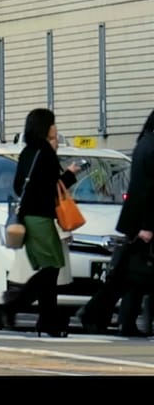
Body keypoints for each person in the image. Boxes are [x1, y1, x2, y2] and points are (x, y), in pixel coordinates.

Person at [0, 108, 80, 338]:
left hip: (27, 217)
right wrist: (71, 173)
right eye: (53, 123)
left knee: (48, 269)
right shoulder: (46, 153)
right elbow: (54, 188)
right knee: (52, 267)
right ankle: (15, 303)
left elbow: (17, 187)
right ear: (45, 127)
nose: (56, 127)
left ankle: (47, 320)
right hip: (41, 217)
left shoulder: (26, 153)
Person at [79, 109, 154, 336]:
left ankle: (122, 321)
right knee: (128, 277)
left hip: (134, 220)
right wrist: (148, 225)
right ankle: (93, 313)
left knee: (129, 277)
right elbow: (151, 190)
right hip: (143, 222)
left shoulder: (144, 144)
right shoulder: (152, 148)